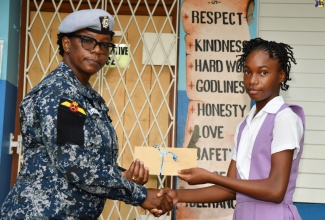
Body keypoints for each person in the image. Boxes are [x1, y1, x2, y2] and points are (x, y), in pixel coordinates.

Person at [0, 9, 172, 219]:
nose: (98, 51)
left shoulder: (86, 96)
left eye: (105, 44)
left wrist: (122, 176)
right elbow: (75, 164)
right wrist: (140, 195)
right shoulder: (59, 93)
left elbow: (88, 159)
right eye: (88, 41)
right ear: (66, 44)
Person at [155, 38, 305, 220]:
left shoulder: (284, 118)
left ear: (281, 76)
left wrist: (211, 176)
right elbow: (228, 189)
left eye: (263, 72)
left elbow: (275, 190)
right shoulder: (245, 125)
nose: (253, 80)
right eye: (247, 72)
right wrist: (178, 196)